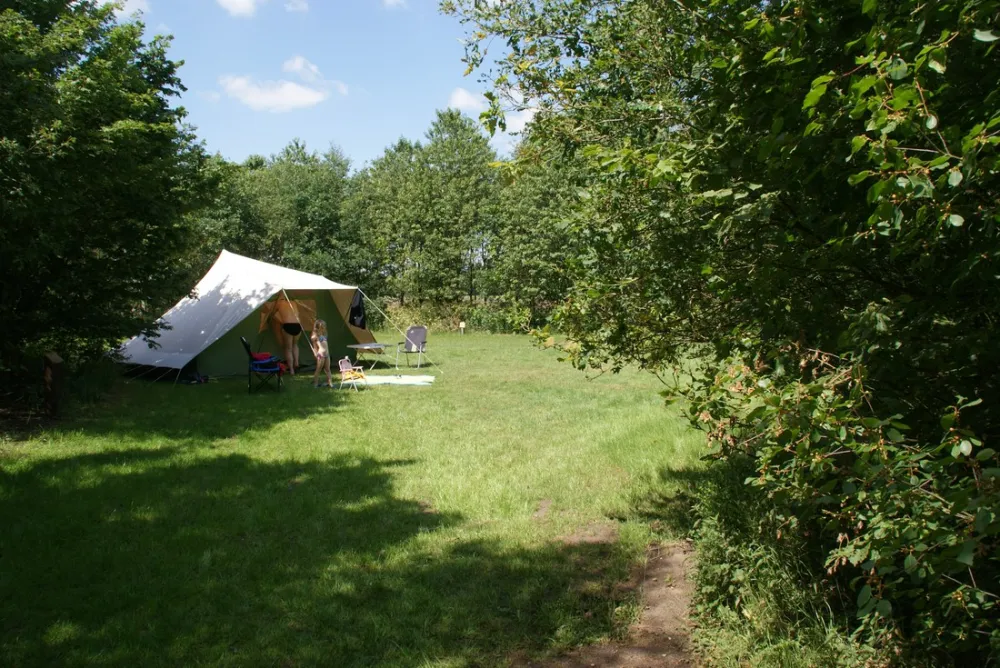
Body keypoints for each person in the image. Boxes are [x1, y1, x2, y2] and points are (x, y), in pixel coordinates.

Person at [270, 296, 302, 375]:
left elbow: (272, 313)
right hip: (298, 325)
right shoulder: (293, 302)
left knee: (288, 348)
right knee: (295, 345)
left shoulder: (279, 303)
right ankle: (296, 363)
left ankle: (291, 370)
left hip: (288, 326)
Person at [310, 319, 333, 388]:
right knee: (318, 369)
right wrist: (316, 353)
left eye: (324, 326)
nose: (324, 327)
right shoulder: (316, 336)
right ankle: (315, 384)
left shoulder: (324, 334)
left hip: (327, 355)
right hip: (321, 355)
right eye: (322, 326)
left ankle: (330, 383)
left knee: (328, 369)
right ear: (318, 327)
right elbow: (314, 346)